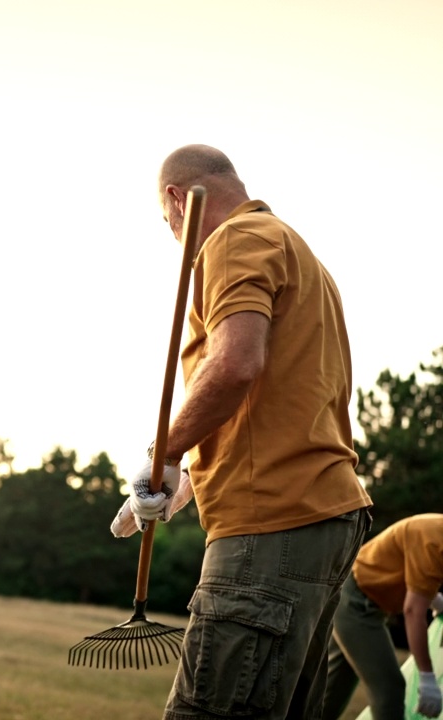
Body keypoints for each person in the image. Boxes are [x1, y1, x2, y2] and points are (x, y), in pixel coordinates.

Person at [112, 144, 373, 719]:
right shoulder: (300, 254)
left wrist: (165, 450)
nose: (173, 236)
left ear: (177, 200)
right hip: (321, 517)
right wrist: (183, 485)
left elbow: (234, 364)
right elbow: (275, 405)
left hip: (270, 524)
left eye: (166, 222)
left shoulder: (232, 239)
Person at [322, 514, 443, 720]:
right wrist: (427, 676)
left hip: (356, 598)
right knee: (390, 689)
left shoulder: (435, 530)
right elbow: (413, 611)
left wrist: (435, 599)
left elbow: (413, 572)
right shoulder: (434, 539)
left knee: (333, 692)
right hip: (356, 603)